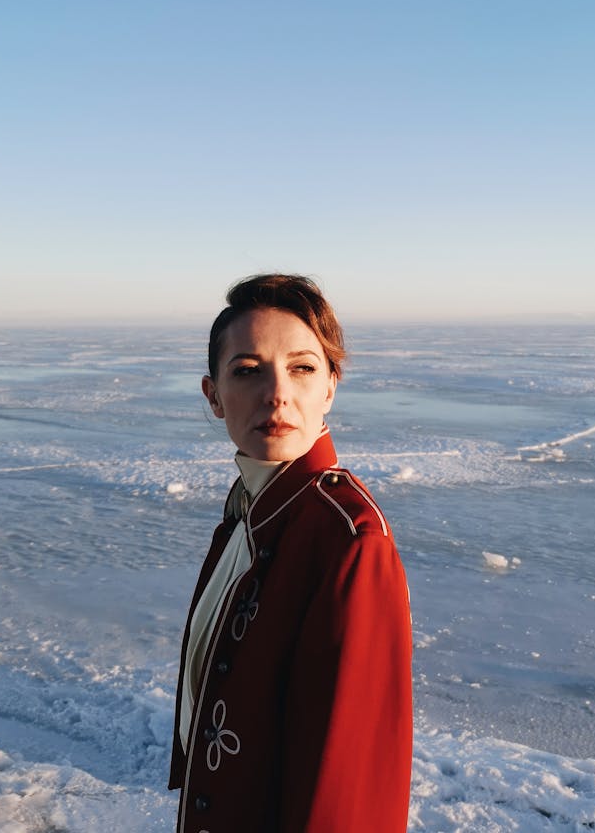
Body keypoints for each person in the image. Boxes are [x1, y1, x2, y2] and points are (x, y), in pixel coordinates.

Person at [169, 274, 413, 832]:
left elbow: (348, 789)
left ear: (330, 386)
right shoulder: (247, 516)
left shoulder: (348, 541)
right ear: (213, 395)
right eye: (248, 371)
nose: (277, 394)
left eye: (303, 368)